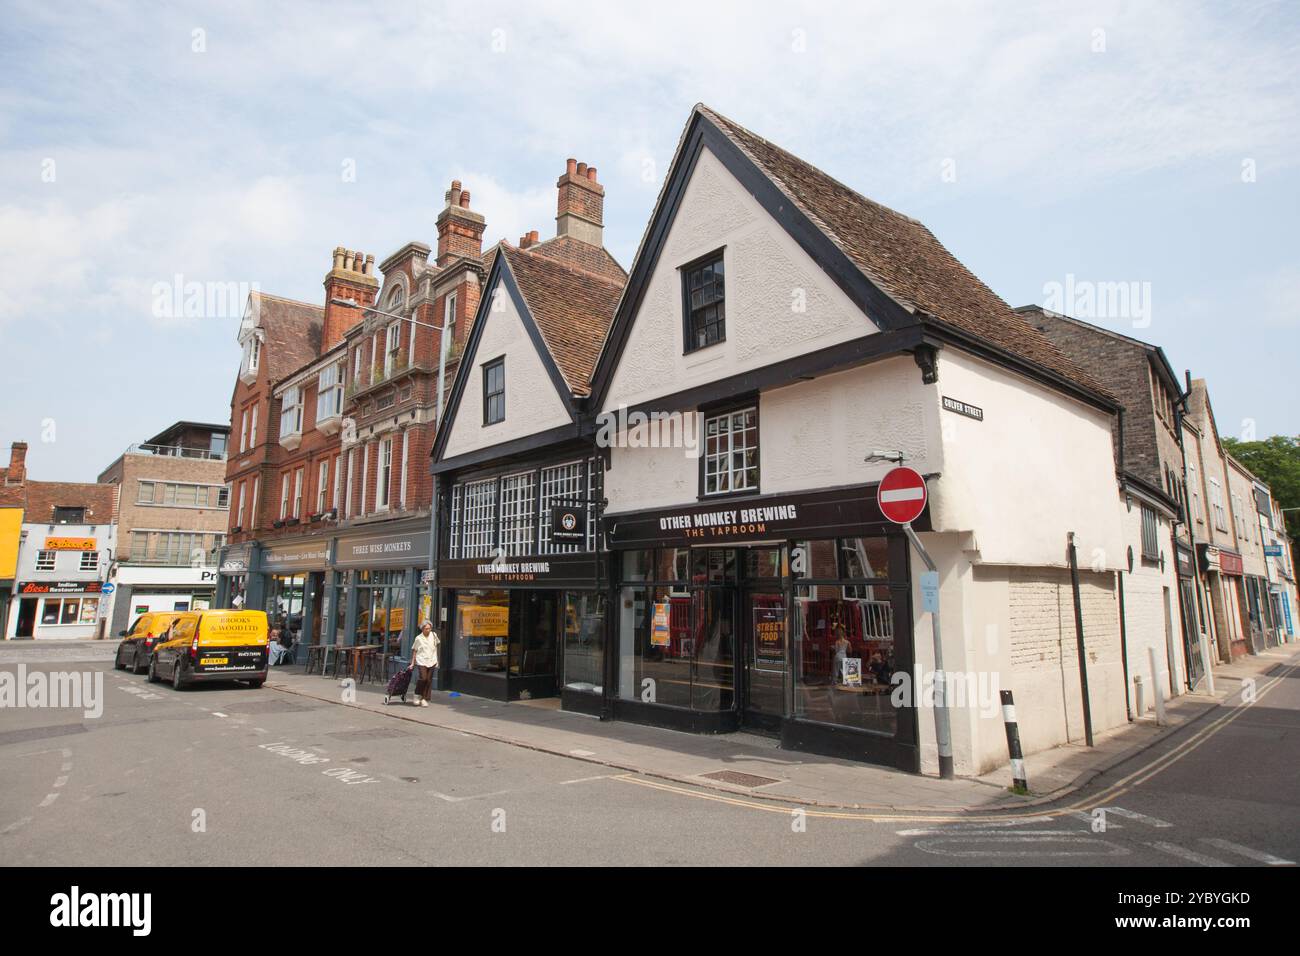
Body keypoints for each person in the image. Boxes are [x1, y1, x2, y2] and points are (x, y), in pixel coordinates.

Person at [409, 621, 440, 707]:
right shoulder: (418, 638)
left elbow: (436, 647)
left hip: (432, 660)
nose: (428, 630)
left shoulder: (434, 635)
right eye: (426, 628)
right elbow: (415, 650)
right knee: (423, 678)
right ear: (422, 629)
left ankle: (423, 698)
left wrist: (437, 660)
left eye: (429, 628)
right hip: (422, 660)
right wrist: (412, 662)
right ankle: (416, 695)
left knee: (429, 680)